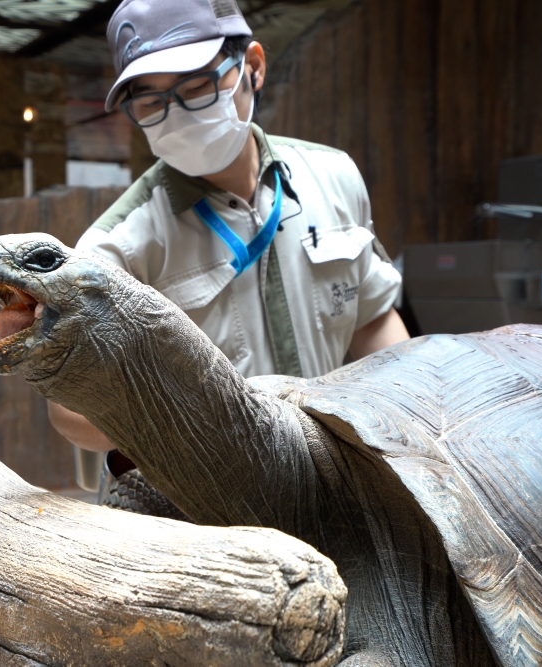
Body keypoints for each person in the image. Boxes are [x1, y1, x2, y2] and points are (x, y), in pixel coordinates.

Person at [49, 0, 410, 457]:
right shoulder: (116, 246)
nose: (177, 113)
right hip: (209, 501)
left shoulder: (334, 177)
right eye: (149, 101)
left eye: (197, 85)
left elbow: (373, 321)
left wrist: (406, 429)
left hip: (337, 472)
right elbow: (70, 411)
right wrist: (190, 418)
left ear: (253, 67)